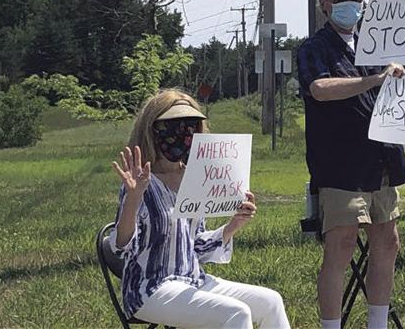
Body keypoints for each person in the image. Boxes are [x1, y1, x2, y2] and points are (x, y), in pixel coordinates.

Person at [297, 0, 405, 329]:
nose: (349, 4)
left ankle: (377, 324)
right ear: (324, 1)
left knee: (388, 241)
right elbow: (320, 89)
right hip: (340, 163)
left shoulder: (378, 41)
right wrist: (373, 79)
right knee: (341, 244)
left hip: (382, 158)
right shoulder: (314, 48)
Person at [109, 89, 290, 329]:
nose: (184, 133)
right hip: (150, 288)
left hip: (194, 279)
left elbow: (195, 245)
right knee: (236, 313)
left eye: (190, 126)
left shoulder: (194, 177)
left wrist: (231, 227)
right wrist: (132, 199)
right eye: (173, 125)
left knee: (271, 301)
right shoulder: (141, 181)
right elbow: (122, 248)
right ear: (153, 129)